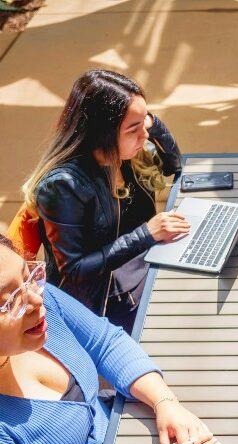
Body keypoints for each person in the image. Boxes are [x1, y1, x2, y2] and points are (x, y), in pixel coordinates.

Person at [0, 234, 222, 444]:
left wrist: (165, 401)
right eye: (8, 302)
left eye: (28, 275)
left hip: (130, 436)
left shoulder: (40, 302)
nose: (36, 299)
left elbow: (105, 342)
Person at [21, 70, 190, 333]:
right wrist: (147, 234)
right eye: (133, 129)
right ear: (103, 133)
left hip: (142, 263)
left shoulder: (124, 154)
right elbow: (74, 269)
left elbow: (174, 165)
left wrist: (151, 122)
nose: (144, 136)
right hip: (107, 300)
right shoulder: (64, 186)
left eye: (144, 123)